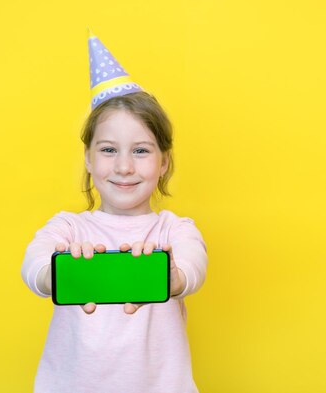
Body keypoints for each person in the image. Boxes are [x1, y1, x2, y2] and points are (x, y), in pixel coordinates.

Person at [21, 30, 207, 393]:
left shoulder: (174, 231)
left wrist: (174, 279)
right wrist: (54, 278)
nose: (124, 167)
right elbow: (35, 264)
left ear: (164, 161)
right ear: (88, 159)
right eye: (108, 150)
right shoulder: (68, 229)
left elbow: (193, 267)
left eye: (140, 151)